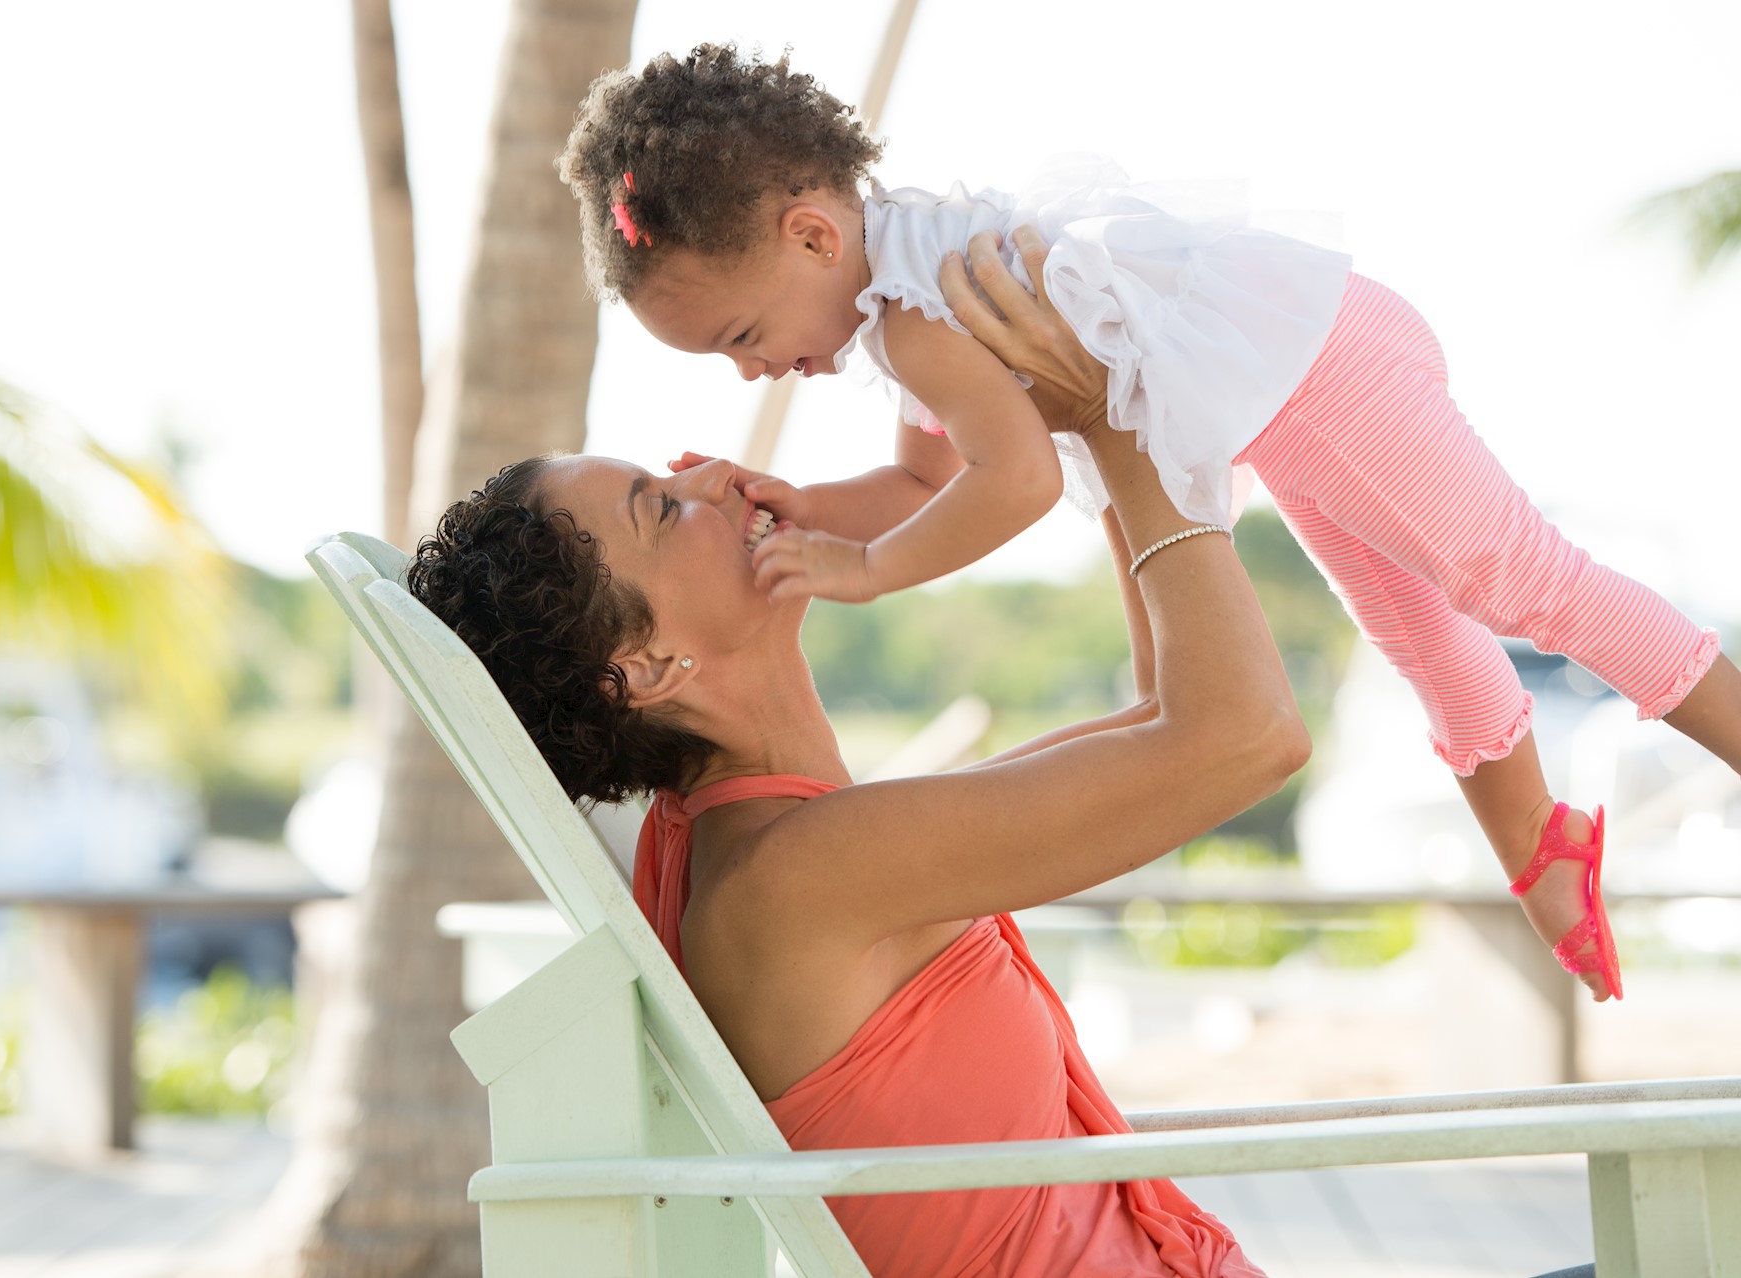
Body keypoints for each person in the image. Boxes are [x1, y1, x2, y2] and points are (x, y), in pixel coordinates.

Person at [556, 43, 1741, 1004]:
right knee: (1420, 631)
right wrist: (806, 511)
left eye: (741, 337)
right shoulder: (899, 287)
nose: (755, 374)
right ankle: (1540, 852)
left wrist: (860, 574)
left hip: (1317, 372)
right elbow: (927, 489)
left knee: (1519, 582)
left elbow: (1012, 485)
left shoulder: (920, 319)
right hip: (1288, 387)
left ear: (813, 235)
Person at [408, 228, 1308, 1275]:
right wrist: (1111, 401)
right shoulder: (793, 877)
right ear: (647, 667)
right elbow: (1246, 737)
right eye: (663, 502)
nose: (711, 472)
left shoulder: (795, 838)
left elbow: (1168, 711)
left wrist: (1086, 426)